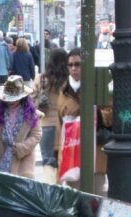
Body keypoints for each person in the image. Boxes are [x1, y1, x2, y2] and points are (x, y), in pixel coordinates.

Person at [56, 48, 112, 196]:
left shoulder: (98, 87)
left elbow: (111, 113)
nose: (74, 68)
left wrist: (94, 115)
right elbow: (59, 124)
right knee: (76, 202)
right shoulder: (63, 90)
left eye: (78, 64)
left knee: (97, 198)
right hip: (71, 157)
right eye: (70, 65)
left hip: (95, 157)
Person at [0, 75, 42, 178]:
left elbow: (36, 135)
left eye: (15, 98)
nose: (12, 101)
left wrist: (22, 148)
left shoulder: (32, 115)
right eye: (9, 98)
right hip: (2, 162)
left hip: (23, 163)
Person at [31, 48, 67, 184]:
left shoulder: (41, 79)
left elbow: (31, 102)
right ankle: (64, 188)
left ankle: (51, 191)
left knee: (48, 160)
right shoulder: (68, 80)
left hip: (45, 125)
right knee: (65, 159)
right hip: (65, 125)